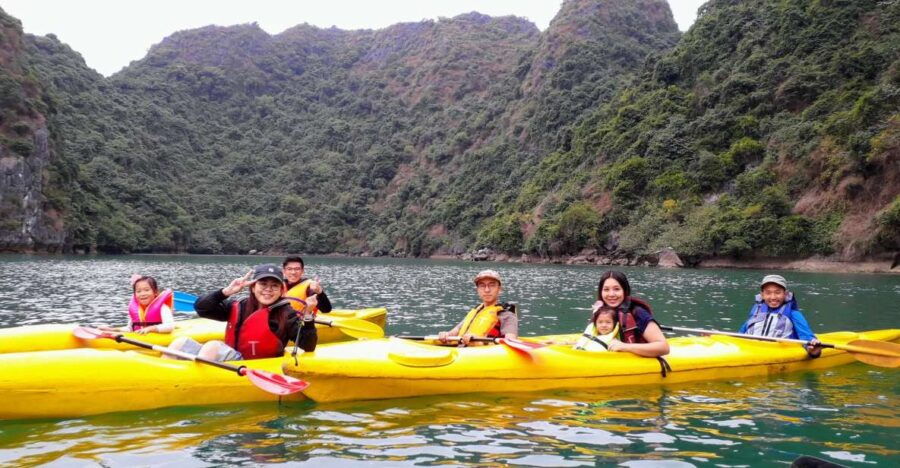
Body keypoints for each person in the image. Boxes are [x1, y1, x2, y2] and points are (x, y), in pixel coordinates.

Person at [168, 264, 318, 361]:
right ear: (253, 287)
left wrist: (308, 315)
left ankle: (197, 386)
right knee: (180, 342)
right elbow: (202, 308)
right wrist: (226, 292)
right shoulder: (238, 306)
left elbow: (308, 346)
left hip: (257, 365)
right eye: (263, 284)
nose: (268, 289)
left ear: (281, 290)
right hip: (232, 360)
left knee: (213, 346)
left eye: (274, 286)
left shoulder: (286, 313)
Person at [738, 274, 822, 357]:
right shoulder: (756, 311)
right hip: (751, 351)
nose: (773, 297)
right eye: (768, 293)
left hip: (778, 354)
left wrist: (813, 351)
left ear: (785, 294)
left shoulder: (793, 314)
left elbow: (807, 339)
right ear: (762, 295)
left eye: (778, 292)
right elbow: (739, 336)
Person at [594, 270, 669, 357]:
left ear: (625, 291)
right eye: (606, 289)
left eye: (616, 289)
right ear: (601, 292)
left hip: (637, 362)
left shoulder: (638, 312)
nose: (611, 294)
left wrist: (624, 346)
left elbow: (664, 347)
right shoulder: (600, 311)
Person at [438, 270, 518, 346]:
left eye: (492, 285)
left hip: (485, 353)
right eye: (482, 285)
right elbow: (455, 332)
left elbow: (510, 342)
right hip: (462, 350)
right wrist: (446, 335)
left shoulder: (506, 314)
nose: (487, 290)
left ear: (499, 289)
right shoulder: (476, 311)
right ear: (477, 290)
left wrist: (479, 341)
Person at [99, 275, 175, 335]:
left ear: (155, 292)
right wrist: (113, 330)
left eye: (146, 290)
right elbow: (130, 329)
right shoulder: (137, 310)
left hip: (158, 338)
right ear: (135, 294)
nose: (142, 294)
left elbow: (170, 326)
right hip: (140, 338)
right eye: (138, 291)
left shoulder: (163, 308)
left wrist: (150, 329)